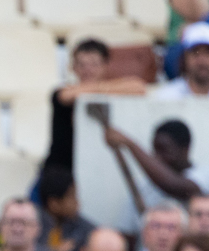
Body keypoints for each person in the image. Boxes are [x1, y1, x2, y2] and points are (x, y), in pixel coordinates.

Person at [43, 39, 146, 175]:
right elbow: (66, 96)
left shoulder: (108, 90)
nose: (88, 70)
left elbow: (138, 87)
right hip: (62, 169)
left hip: (98, 168)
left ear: (106, 65)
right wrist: (100, 89)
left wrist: (97, 89)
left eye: (94, 64)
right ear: (73, 67)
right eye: (81, 65)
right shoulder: (63, 92)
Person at [103, 119, 209, 208]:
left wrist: (130, 144)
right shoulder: (144, 187)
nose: (156, 157)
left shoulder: (207, 176)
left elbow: (177, 187)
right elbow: (127, 233)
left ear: (185, 149)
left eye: (164, 150)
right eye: (155, 150)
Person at [35, 167, 95, 251]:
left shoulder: (79, 224)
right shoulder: (33, 222)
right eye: (71, 196)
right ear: (54, 203)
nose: (77, 202)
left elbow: (96, 234)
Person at [157, 21, 209, 99]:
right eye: (195, 53)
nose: (202, 60)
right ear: (184, 57)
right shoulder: (167, 97)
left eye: (208, 53)